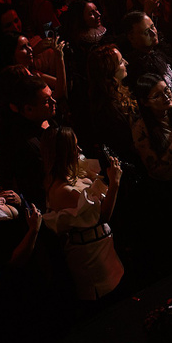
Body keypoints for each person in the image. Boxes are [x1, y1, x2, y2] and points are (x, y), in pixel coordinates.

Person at [44, 127, 124, 301]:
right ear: (63, 152)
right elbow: (102, 217)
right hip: (92, 258)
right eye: (74, 146)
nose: (79, 149)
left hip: (103, 249)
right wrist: (115, 183)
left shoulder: (76, 173)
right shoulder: (63, 190)